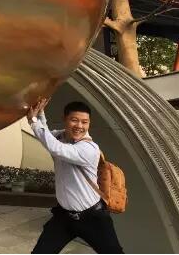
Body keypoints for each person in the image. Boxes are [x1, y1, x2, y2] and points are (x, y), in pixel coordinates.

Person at [27, 99, 123, 254]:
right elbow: (46, 137)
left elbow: (56, 148)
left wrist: (33, 121)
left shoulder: (89, 148)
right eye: (74, 120)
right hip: (64, 217)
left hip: (93, 217)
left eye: (85, 122)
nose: (79, 126)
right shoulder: (61, 136)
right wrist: (40, 115)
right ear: (65, 119)